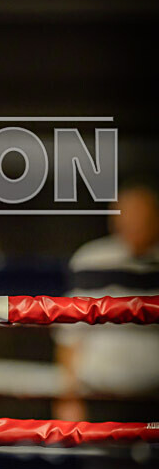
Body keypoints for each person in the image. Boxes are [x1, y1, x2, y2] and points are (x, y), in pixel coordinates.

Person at [54, 176, 159, 423]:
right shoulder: (93, 260)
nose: (134, 221)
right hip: (99, 397)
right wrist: (69, 398)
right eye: (128, 213)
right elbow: (69, 335)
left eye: (141, 213)